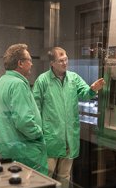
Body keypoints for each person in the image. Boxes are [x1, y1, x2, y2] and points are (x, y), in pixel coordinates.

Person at [33, 47, 105, 181]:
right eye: (61, 61)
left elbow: (85, 93)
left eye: (66, 59)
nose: (65, 63)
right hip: (50, 139)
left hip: (69, 138)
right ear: (52, 63)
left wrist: (93, 89)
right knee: (44, 177)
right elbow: (35, 109)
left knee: (64, 177)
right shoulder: (42, 81)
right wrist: (38, 134)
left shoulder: (74, 78)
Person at [0, 44, 47, 175]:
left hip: (7, 148)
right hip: (24, 151)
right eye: (29, 60)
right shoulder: (18, 84)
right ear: (20, 63)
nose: (32, 64)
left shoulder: (2, 81)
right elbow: (24, 121)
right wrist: (38, 134)